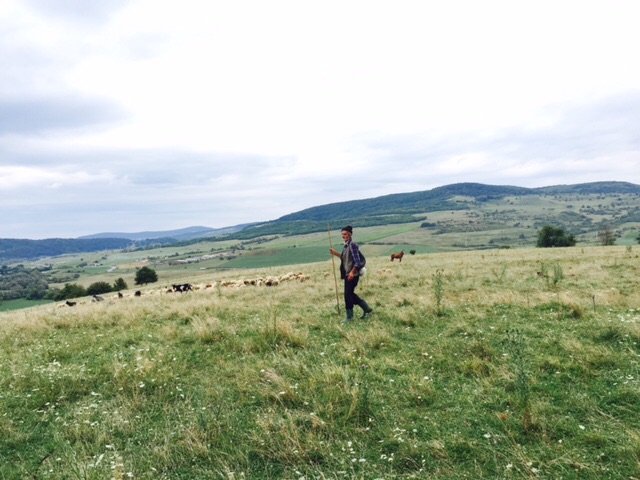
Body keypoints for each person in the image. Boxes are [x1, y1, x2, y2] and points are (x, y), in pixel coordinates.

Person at [330, 225, 373, 322]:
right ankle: (367, 309)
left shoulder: (352, 244)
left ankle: (349, 317)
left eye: (345, 234)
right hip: (348, 274)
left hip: (353, 274)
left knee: (347, 295)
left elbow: (357, 262)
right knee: (349, 294)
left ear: (350, 235)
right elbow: (345, 258)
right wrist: (335, 253)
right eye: (342, 234)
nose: (343, 236)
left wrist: (352, 272)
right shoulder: (346, 246)